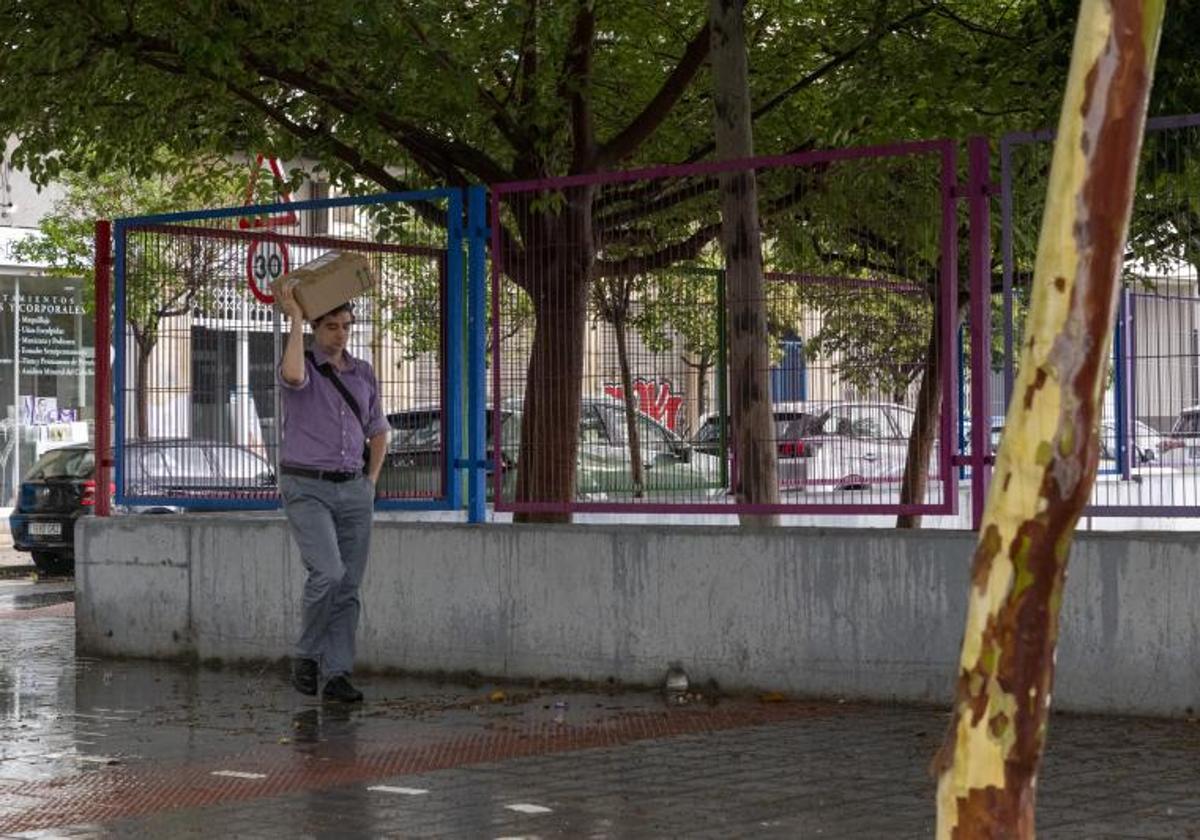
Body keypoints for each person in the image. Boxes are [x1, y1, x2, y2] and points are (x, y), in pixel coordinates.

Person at [276, 283, 388, 702]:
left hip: (354, 490)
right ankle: (306, 656)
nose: (339, 335)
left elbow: (378, 430)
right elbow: (291, 376)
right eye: (330, 327)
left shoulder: (363, 373)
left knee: (349, 587)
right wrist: (295, 318)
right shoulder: (301, 364)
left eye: (345, 327)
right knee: (328, 573)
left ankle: (337, 674)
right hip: (307, 487)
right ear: (315, 329)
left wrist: (371, 481)